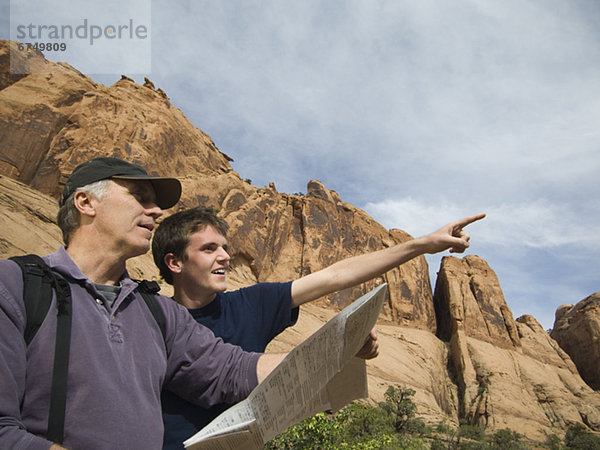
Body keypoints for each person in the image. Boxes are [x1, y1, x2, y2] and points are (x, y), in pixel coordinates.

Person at [0, 157, 287, 450]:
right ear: (86, 202)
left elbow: (229, 371)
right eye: (140, 197)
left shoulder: (160, 312)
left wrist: (322, 360)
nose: (156, 211)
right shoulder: (15, 286)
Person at [152, 206, 485, 449]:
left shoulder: (253, 304)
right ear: (175, 262)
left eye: (224, 246)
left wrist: (423, 244)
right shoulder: (149, 322)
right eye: (209, 249)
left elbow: (335, 276)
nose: (224, 256)